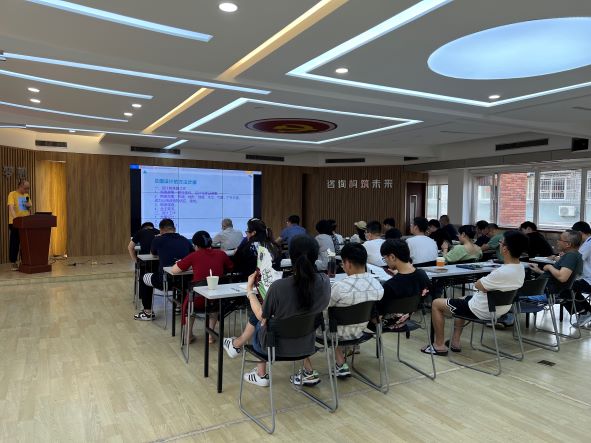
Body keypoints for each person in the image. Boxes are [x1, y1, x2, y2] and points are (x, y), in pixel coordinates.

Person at [222, 235, 331, 387]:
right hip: (307, 344)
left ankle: (258, 371)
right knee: (287, 318)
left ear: (290, 256)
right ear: (316, 255)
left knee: (262, 317)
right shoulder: (325, 281)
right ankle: (237, 345)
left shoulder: (279, 287)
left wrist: (250, 291)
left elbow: (261, 317)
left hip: (272, 348)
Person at [422, 230, 528, 355]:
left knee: (436, 303)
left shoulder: (501, 272)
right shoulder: (520, 268)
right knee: (461, 300)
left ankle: (439, 345)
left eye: (501, 242)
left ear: (505, 249)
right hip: (499, 309)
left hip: (481, 309)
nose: (499, 244)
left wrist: (484, 284)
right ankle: (455, 342)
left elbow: (478, 284)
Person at [293, 243, 384, 384]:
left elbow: (322, 309)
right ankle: (340, 364)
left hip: (335, 333)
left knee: (300, 323)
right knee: (336, 321)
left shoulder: (340, 287)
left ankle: (308, 372)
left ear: (348, 263)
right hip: (359, 331)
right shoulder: (377, 285)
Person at [171, 230, 234, 343]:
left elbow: (174, 270)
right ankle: (210, 335)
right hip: (217, 298)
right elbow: (230, 267)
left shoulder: (194, 255)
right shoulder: (221, 254)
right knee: (214, 303)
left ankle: (188, 335)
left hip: (197, 299)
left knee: (190, 303)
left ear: (196, 245)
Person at [134, 219, 192, 320]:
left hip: (165, 281)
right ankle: (179, 306)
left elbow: (153, 253)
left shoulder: (158, 240)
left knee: (143, 278)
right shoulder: (185, 240)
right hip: (184, 282)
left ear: (160, 230)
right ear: (174, 229)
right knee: (180, 277)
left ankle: (147, 312)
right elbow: (192, 254)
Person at [378, 239, 430, 330]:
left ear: (392, 257)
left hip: (388, 323)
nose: (385, 261)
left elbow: (379, 311)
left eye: (384, 258)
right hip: (408, 318)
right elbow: (424, 294)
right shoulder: (422, 274)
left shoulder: (390, 285)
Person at [528, 229, 583, 298]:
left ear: (568, 244)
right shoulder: (573, 255)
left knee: (516, 292)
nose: (557, 241)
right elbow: (556, 277)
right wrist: (539, 271)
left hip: (545, 293)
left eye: (560, 239)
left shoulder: (571, 256)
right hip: (545, 290)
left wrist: (549, 267)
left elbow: (562, 278)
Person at [569, 221, 591, 326]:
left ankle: (585, 312)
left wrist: (559, 258)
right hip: (586, 277)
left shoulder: (588, 244)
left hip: (588, 279)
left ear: (580, 233)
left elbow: (576, 260)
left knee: (565, 287)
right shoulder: (587, 242)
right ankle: (586, 312)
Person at [7, 179, 32, 269]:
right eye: (26, 188)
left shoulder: (26, 195)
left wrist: (28, 205)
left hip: (25, 222)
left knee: (25, 243)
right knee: (15, 242)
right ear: (20, 186)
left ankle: (24, 261)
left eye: (28, 188)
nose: (27, 190)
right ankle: (13, 262)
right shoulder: (12, 194)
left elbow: (29, 207)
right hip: (15, 223)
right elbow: (11, 208)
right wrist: (16, 219)